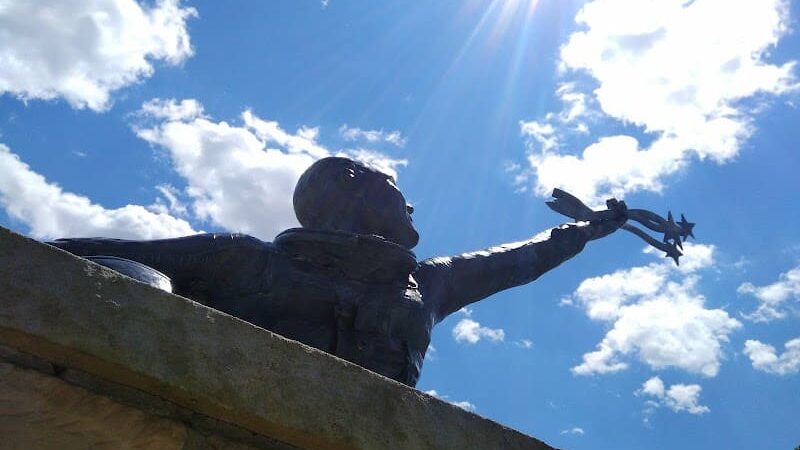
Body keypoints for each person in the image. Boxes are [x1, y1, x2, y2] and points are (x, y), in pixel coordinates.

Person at [51, 157, 627, 386]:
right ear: (352, 187)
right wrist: (146, 298)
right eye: (395, 189)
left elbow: (522, 261)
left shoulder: (427, 284)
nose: (410, 204)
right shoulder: (241, 260)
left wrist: (587, 228)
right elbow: (69, 254)